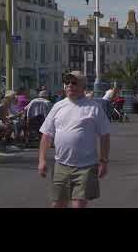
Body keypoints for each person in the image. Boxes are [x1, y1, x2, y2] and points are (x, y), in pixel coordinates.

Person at [38, 71, 111, 208]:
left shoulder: (94, 107)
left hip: (86, 166)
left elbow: (105, 135)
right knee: (57, 204)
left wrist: (104, 160)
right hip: (61, 165)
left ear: (83, 86)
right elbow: (46, 134)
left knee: (78, 204)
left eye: (74, 83)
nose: (70, 85)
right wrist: (42, 160)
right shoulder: (58, 106)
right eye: (67, 83)